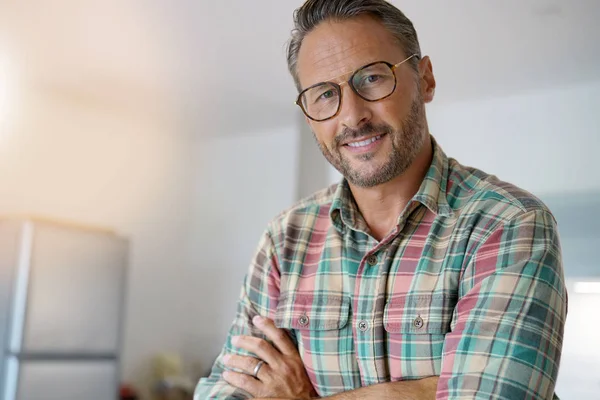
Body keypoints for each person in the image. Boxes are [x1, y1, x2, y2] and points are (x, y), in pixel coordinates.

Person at [195, 0, 567, 398]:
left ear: (425, 79)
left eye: (371, 78)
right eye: (324, 94)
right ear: (308, 116)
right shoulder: (285, 239)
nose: (352, 116)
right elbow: (224, 389)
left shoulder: (508, 224)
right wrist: (424, 391)